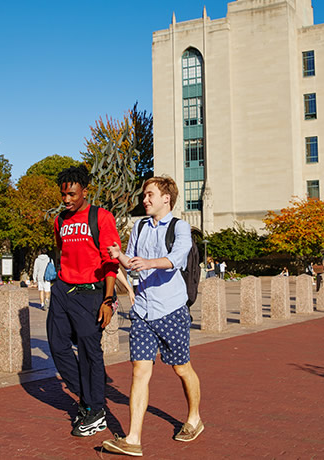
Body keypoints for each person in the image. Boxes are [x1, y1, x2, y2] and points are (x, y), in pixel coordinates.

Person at [104, 176, 203, 456]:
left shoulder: (180, 227)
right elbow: (133, 263)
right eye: (144, 195)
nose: (144, 200)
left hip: (171, 310)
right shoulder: (139, 226)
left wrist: (149, 263)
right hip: (144, 311)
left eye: (149, 195)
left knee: (181, 368)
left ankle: (194, 418)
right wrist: (119, 254)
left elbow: (177, 258)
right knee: (139, 371)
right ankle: (133, 438)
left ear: (165, 199)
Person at [46, 165, 121, 437]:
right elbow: (60, 250)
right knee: (57, 346)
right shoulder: (60, 221)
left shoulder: (101, 218)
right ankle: (86, 399)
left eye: (72, 194)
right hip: (63, 290)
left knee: (91, 353)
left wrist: (108, 299)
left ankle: (96, 409)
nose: (66, 200)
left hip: (91, 294)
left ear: (85, 192)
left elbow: (110, 261)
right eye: (63, 195)